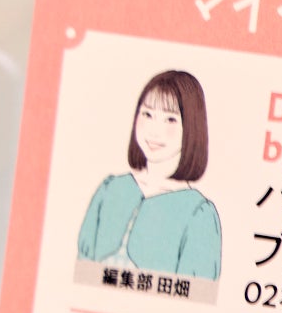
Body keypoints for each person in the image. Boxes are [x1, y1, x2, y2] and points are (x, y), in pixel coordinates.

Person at [77, 70, 221, 279]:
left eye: (170, 119)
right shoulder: (110, 190)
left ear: (192, 127)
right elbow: (81, 269)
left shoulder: (199, 214)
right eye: (147, 114)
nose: (154, 130)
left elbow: (199, 291)